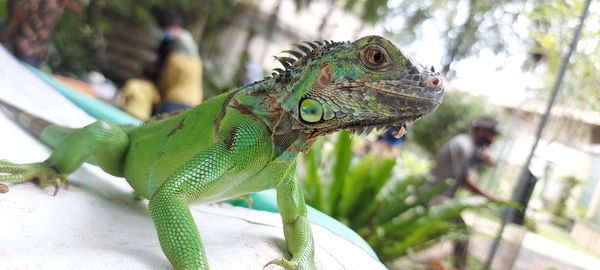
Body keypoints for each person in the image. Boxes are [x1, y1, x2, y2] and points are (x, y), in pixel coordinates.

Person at [428, 116, 502, 270]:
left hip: (443, 197)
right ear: (481, 130)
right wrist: (490, 198)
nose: (492, 139)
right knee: (462, 233)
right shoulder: (462, 145)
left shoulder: (468, 144)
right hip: (435, 197)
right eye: (491, 134)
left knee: (449, 235)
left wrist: (486, 158)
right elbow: (465, 181)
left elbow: (478, 157)